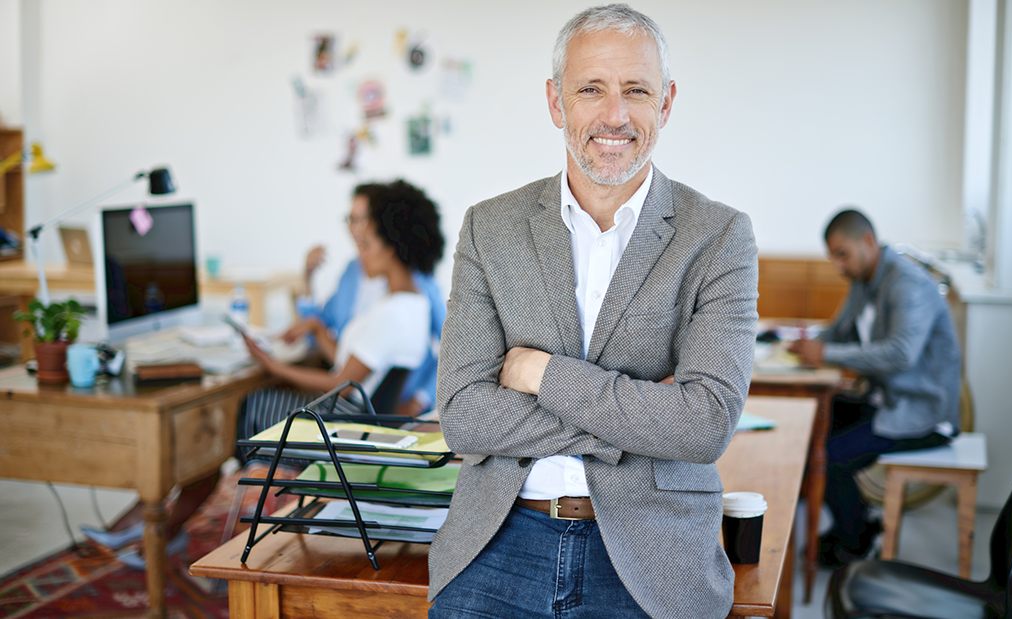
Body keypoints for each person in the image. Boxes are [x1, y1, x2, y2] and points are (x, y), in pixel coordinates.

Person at [428, 5, 758, 618]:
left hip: (654, 555)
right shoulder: (489, 227)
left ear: (666, 102)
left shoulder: (718, 236)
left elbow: (706, 423)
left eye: (636, 90)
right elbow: (464, 415)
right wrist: (637, 418)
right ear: (556, 102)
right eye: (591, 90)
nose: (615, 115)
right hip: (497, 544)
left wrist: (541, 376)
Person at [84, 180, 445, 568]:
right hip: (359, 418)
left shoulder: (393, 311)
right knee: (228, 421)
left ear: (392, 246)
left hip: (343, 424)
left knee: (232, 416)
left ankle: (162, 526)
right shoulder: (408, 304)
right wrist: (314, 332)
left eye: (367, 243)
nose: (360, 251)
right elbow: (355, 366)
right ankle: (161, 524)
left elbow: (340, 383)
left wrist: (272, 365)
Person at [788, 208, 961, 567]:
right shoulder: (865, 281)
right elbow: (837, 333)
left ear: (868, 242)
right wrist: (806, 345)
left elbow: (900, 354)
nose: (838, 265)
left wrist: (826, 352)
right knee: (806, 429)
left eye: (842, 254)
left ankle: (855, 539)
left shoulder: (908, 284)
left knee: (832, 456)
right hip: (883, 400)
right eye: (833, 256)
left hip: (921, 414)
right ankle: (855, 520)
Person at [284, 182, 446, 416]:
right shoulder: (352, 272)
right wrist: (308, 279)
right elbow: (321, 328)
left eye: (363, 219)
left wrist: (421, 399)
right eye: (351, 219)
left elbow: (448, 345)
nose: (356, 228)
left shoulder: (417, 284)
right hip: (353, 395)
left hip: (386, 404)